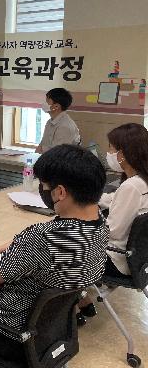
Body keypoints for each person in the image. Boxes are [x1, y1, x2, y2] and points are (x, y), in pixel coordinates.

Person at [0, 145, 109, 363]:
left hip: (5, 331)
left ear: (60, 192)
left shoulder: (41, 238)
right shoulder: (100, 226)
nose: (42, 190)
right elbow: (46, 241)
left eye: (44, 185)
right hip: (52, 333)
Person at [78, 123, 148, 323]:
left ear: (123, 154)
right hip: (140, 259)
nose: (108, 153)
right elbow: (115, 199)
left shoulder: (131, 187)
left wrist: (84, 219)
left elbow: (112, 231)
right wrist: (91, 197)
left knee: (62, 249)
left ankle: (75, 304)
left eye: (111, 148)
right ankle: (82, 300)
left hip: (116, 259)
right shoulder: (141, 181)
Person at [35, 88, 80, 153]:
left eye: (47, 101)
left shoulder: (65, 126)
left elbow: (57, 153)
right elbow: (43, 143)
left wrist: (40, 151)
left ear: (56, 106)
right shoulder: (50, 122)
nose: (44, 103)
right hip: (46, 157)